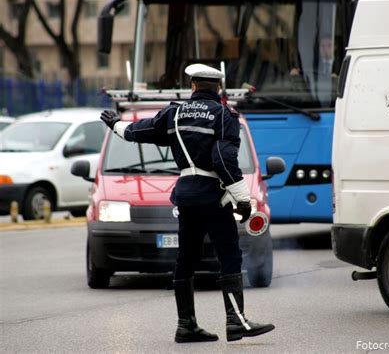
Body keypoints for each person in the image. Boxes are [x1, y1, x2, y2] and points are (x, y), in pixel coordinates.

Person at [100, 63, 275, 343]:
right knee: (229, 254)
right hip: (213, 196)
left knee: (186, 258)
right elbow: (223, 159)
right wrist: (243, 200)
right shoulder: (223, 115)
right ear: (217, 88)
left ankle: (186, 326)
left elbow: (139, 132)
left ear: (193, 86)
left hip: (186, 195)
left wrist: (114, 125)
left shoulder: (174, 113)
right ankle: (236, 322)